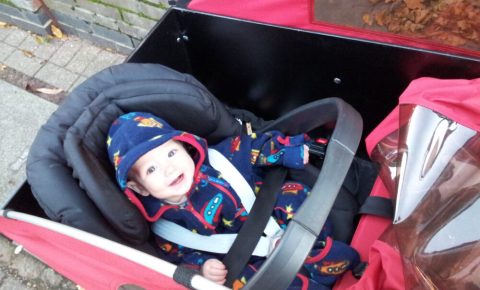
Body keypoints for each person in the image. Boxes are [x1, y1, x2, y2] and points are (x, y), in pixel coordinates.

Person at [107, 112, 360, 289]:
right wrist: (202, 267)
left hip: (271, 213)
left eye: (172, 152)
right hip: (240, 258)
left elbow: (255, 147)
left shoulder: (221, 159)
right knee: (240, 283)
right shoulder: (165, 228)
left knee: (293, 193)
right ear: (139, 187)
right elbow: (179, 258)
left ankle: (337, 264)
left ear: (186, 146)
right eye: (151, 170)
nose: (169, 169)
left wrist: (288, 150)